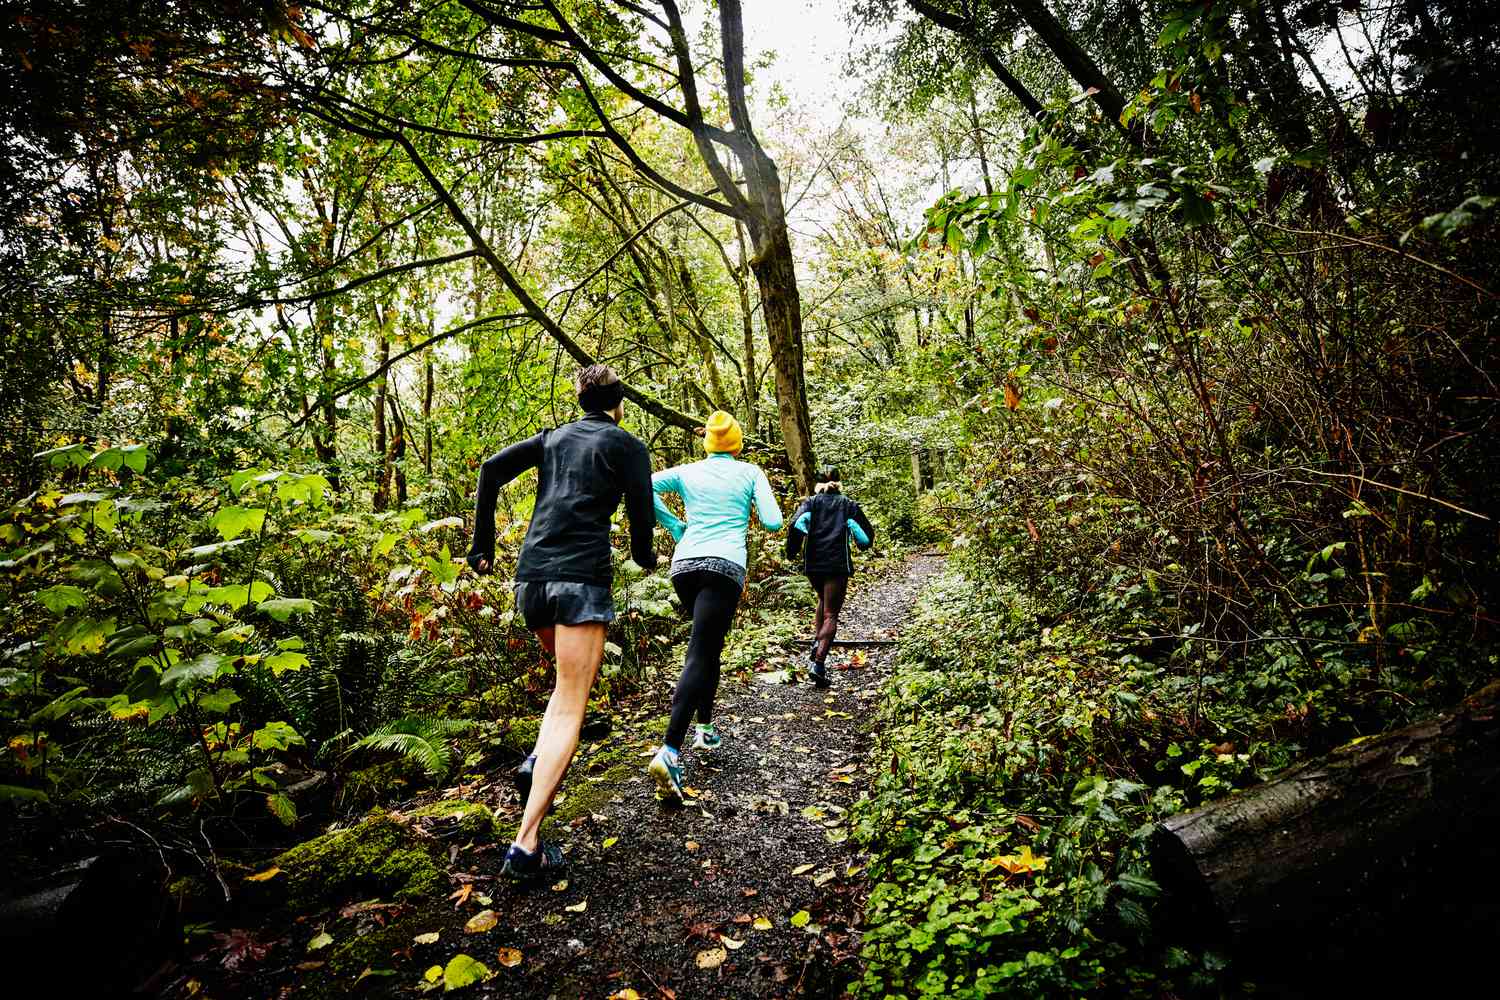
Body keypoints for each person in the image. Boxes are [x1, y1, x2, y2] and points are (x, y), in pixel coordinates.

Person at [466, 364, 658, 879]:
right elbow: (643, 520)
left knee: (563, 687)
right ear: (619, 404)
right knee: (574, 702)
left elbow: (489, 469)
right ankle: (525, 844)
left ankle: (536, 760)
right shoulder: (627, 445)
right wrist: (646, 556)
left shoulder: (551, 439)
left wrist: (481, 545)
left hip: (532, 581)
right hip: (581, 581)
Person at [646, 411, 783, 801]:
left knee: (709, 649)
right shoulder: (750, 472)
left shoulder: (687, 471)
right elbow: (773, 522)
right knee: (700, 652)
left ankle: (705, 729)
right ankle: (670, 749)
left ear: (707, 443)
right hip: (724, 568)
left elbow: (642, 485)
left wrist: (674, 524)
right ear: (737, 444)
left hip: (685, 567)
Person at [785, 467, 875, 688]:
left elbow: (796, 526)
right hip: (837, 565)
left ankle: (818, 642)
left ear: (817, 484)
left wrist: (791, 552)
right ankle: (818, 663)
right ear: (839, 483)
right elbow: (865, 539)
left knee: (823, 601)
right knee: (831, 614)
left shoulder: (810, 503)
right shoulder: (848, 505)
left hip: (813, 565)